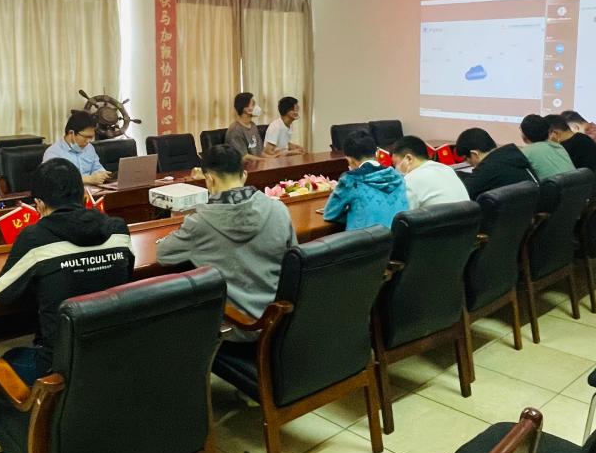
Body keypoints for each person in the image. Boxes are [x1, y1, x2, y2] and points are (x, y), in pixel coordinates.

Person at [0, 159, 133, 385]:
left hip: (58, 366)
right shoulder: (118, 230)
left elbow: (0, 294)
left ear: (39, 204)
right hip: (113, 355)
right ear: (84, 196)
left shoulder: (35, 238)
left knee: (8, 360)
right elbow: (126, 276)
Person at [156, 144, 296, 342]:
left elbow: (163, 254)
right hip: (279, 323)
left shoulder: (199, 223)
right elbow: (294, 263)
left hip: (235, 330)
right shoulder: (279, 209)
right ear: (244, 175)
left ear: (210, 179)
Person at [323, 130, 408, 231]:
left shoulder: (351, 180)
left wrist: (352, 213)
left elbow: (330, 214)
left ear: (349, 160)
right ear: (377, 153)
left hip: (365, 239)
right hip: (398, 239)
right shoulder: (398, 176)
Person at [454, 127, 536, 200]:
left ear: (474, 154)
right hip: (531, 208)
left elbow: (462, 194)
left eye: (467, 160)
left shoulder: (488, 168)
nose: (471, 165)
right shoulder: (511, 155)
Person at [392, 135, 469, 210]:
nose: (395, 169)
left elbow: (399, 214)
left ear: (409, 159)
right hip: (467, 218)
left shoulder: (410, 180)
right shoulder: (447, 169)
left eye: (396, 164)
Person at [41, 109, 110, 185]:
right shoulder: (53, 153)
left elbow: (97, 168)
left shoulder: (89, 148)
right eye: (86, 137)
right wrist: (88, 179)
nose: (88, 141)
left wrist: (103, 174)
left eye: (91, 137)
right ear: (71, 133)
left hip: (93, 190)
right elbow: (53, 180)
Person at [519, 114, 576, 179]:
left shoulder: (525, 153)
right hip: (576, 183)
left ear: (524, 135)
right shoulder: (559, 147)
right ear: (548, 132)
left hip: (553, 185)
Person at [226, 91, 265, 165]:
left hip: (258, 165)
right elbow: (245, 158)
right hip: (245, 168)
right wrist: (265, 161)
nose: (256, 107)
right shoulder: (235, 130)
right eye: (253, 104)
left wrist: (274, 157)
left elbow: (260, 152)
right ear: (245, 109)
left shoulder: (253, 125)